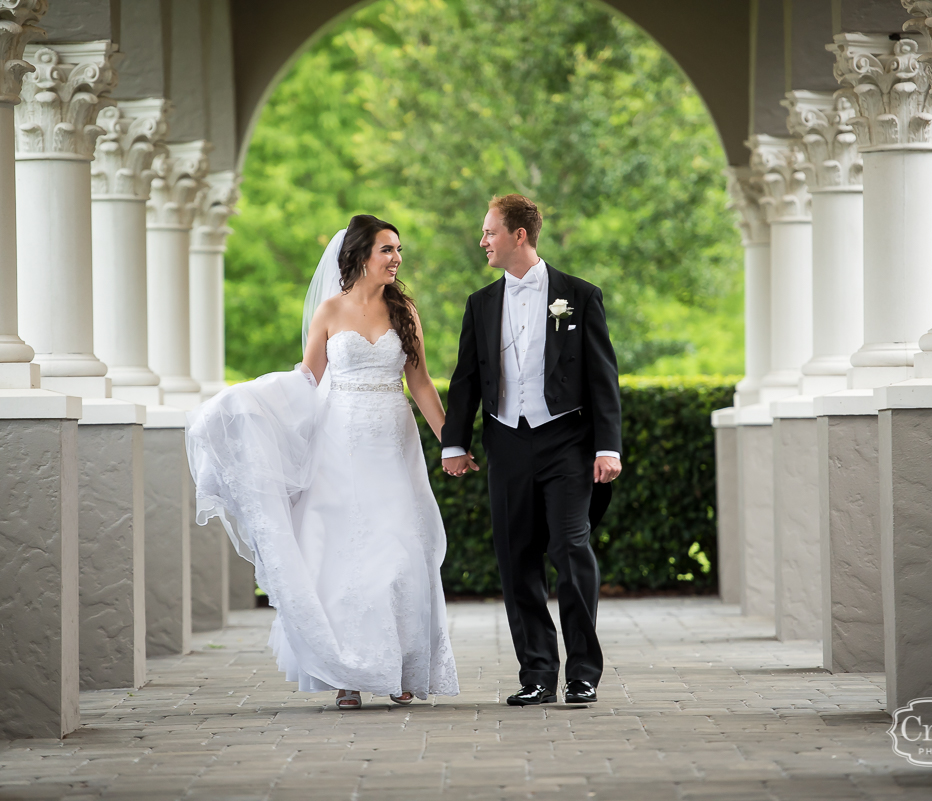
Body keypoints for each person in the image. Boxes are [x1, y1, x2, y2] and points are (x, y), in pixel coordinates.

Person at [186, 214, 459, 709]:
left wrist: (451, 443)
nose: (397, 259)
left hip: (393, 443)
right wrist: (247, 403)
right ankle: (348, 672)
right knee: (343, 555)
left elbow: (420, 384)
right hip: (339, 445)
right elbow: (308, 380)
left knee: (400, 552)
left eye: (398, 250)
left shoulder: (405, 312)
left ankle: (400, 667)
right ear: (360, 255)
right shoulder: (330, 312)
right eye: (387, 250)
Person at [441, 194, 622, 706]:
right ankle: (537, 674)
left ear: (519, 235)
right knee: (515, 557)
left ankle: (583, 672)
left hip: (567, 440)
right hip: (507, 442)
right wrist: (455, 441)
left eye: (490, 232)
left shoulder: (579, 296)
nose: (483, 241)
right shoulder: (480, 303)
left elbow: (603, 378)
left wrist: (608, 447)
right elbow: (467, 379)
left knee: (570, 549)